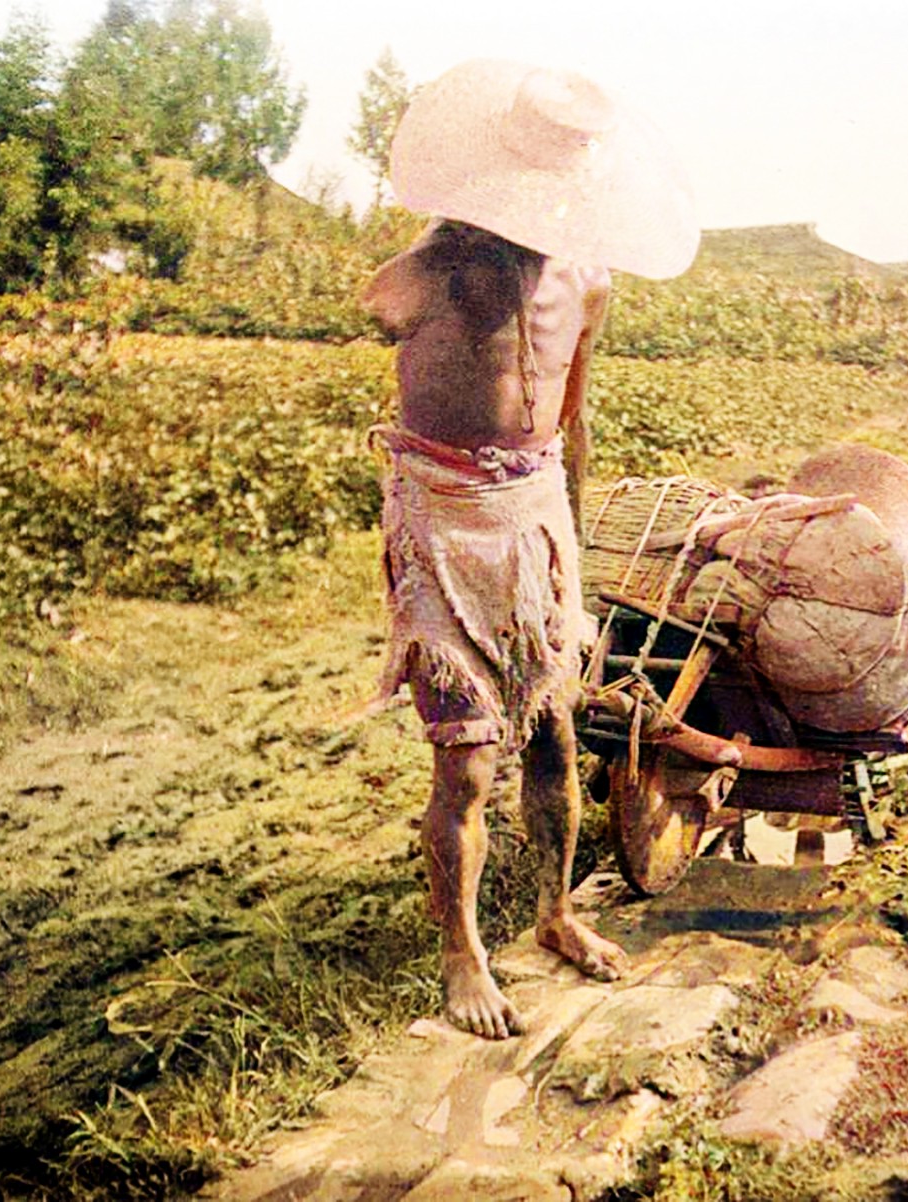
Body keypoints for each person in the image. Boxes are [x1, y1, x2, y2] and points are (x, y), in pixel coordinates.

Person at [361, 59, 697, 1038]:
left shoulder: (587, 280)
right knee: (466, 761)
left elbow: (573, 415)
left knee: (554, 731)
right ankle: (462, 951)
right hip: (444, 511)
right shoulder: (438, 265)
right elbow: (376, 306)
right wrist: (452, 247)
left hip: (536, 511)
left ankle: (554, 911)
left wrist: (572, 549)